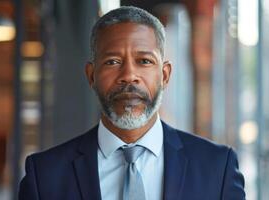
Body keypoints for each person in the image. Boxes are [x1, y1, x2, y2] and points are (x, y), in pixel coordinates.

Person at [19, 6, 245, 200]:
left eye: (144, 61)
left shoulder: (217, 168)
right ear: (91, 75)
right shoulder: (45, 175)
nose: (129, 75)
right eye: (113, 61)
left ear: (165, 75)